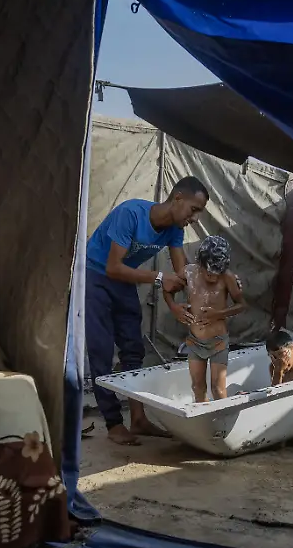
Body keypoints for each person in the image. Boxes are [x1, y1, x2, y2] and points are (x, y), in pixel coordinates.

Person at [85, 176, 208, 445]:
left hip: (124, 281)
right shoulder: (131, 214)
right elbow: (113, 267)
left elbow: (180, 275)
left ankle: (138, 419)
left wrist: (207, 291)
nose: (195, 218)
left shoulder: (174, 229)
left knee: (133, 349)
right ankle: (114, 423)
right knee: (101, 351)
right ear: (177, 198)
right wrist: (159, 278)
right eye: (194, 210)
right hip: (96, 276)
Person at [165, 235, 246, 402]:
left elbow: (242, 305)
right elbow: (167, 289)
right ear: (200, 264)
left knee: (218, 388)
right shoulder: (188, 272)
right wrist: (174, 307)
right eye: (209, 274)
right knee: (197, 387)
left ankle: (223, 417)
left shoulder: (227, 277)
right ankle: (206, 417)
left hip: (218, 342)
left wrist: (218, 314)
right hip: (195, 341)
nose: (213, 278)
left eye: (217, 274)